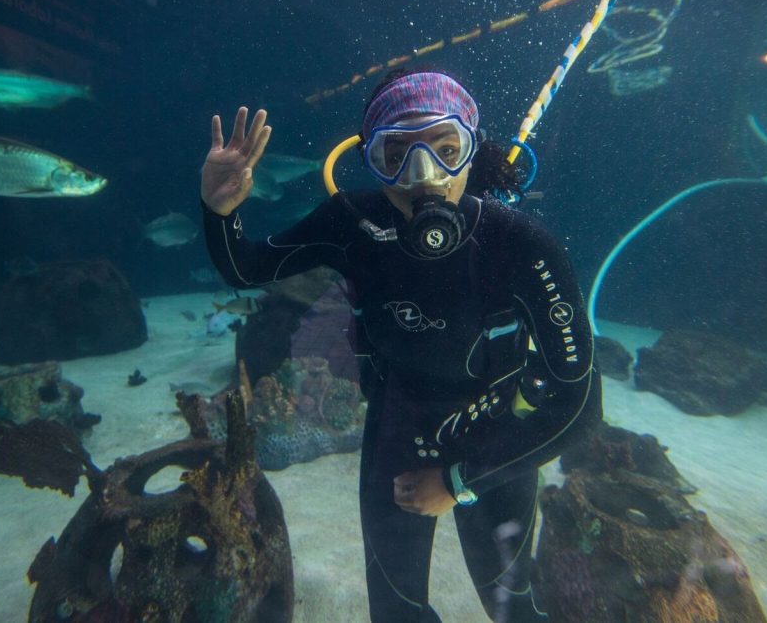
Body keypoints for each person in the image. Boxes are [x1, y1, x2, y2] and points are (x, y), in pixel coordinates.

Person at [199, 69, 602, 622]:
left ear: (470, 149)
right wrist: (219, 210)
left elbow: (579, 408)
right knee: (395, 611)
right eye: (396, 154)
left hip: (495, 435)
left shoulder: (521, 246)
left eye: (445, 149)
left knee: (513, 609)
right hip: (397, 427)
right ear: (369, 158)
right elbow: (246, 268)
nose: (423, 177)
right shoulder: (352, 223)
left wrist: (457, 482)